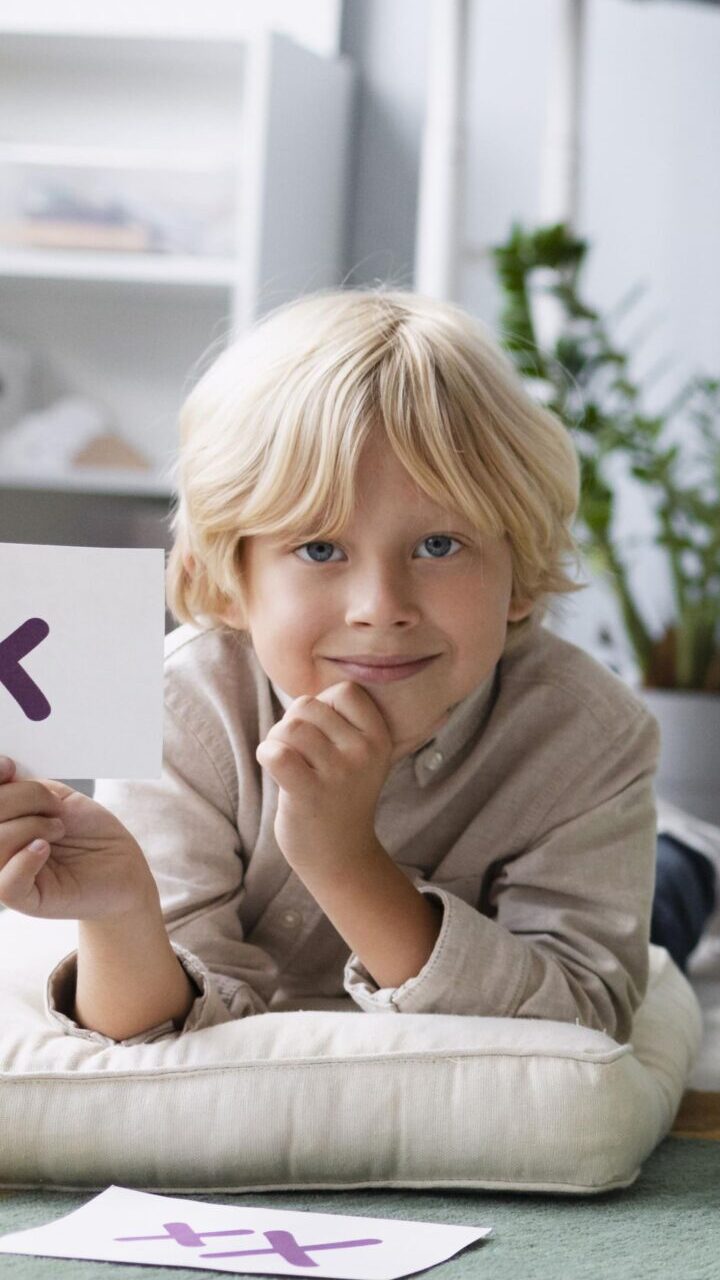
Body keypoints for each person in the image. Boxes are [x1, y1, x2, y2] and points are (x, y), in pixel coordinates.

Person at [0, 291, 660, 1045]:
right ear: (232, 581)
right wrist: (119, 911)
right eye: (319, 549)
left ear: (520, 568)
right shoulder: (181, 708)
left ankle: (705, 863)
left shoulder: (589, 734)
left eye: (439, 546)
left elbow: (585, 1015)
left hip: (600, 862)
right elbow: (154, 1025)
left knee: (676, 894)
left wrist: (345, 860)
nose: (381, 608)